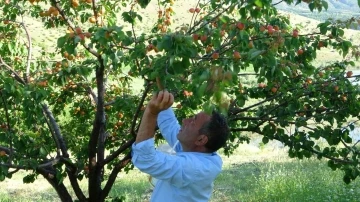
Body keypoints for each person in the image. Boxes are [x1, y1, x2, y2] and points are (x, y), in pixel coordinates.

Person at [131, 90, 230, 202]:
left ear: (201, 139)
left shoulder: (194, 168)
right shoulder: (196, 150)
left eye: (192, 122)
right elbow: (169, 124)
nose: (184, 121)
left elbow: (145, 159)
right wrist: (162, 93)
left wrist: (151, 113)